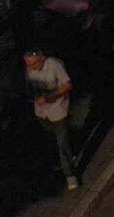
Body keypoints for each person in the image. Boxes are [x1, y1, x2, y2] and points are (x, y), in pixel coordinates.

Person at [23, 47, 77, 190]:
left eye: (35, 64)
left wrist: (50, 97)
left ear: (41, 58)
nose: (32, 68)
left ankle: (70, 175)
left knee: (62, 143)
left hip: (58, 109)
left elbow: (67, 85)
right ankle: (64, 160)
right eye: (29, 65)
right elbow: (29, 88)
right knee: (51, 138)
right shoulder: (28, 69)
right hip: (41, 112)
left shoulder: (54, 65)